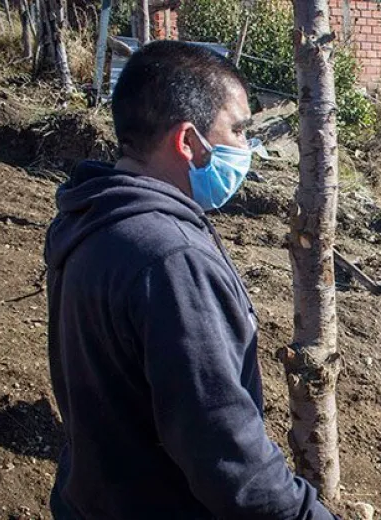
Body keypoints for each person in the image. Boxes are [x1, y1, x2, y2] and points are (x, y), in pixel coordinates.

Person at [44, 41, 337, 519]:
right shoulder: (170, 259)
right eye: (239, 131)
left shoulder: (92, 218)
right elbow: (226, 455)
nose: (248, 148)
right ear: (188, 142)